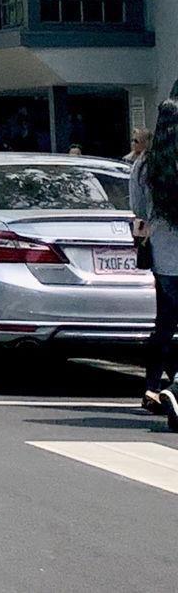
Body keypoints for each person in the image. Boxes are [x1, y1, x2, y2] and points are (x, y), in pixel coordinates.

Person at [131, 103, 178, 423]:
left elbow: (139, 211)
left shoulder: (145, 165)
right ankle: (174, 388)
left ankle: (152, 386)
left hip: (165, 256)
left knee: (164, 322)